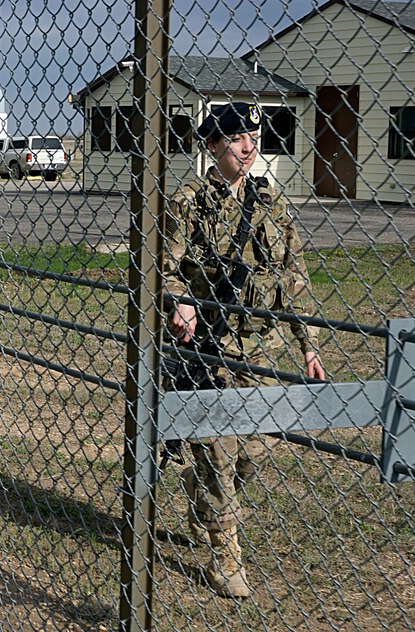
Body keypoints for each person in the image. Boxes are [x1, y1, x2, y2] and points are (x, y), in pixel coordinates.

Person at [164, 102, 326, 598]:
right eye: (236, 138)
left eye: (253, 137)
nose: (248, 146)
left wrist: (309, 346)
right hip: (210, 348)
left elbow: (295, 280)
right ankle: (225, 558)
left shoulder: (272, 202)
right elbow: (162, 267)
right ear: (213, 145)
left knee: (255, 448)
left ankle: (199, 496)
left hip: (259, 349)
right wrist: (182, 300)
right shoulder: (189, 201)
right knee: (220, 452)